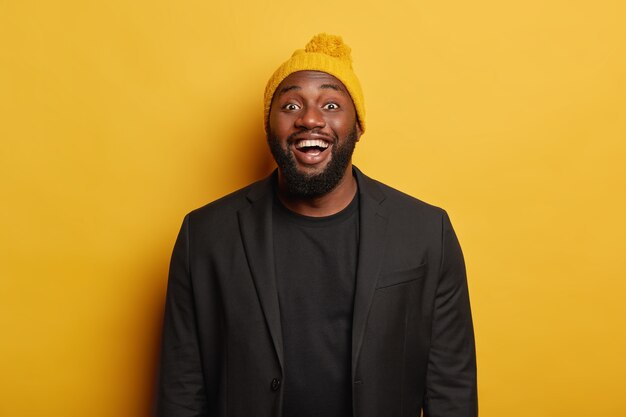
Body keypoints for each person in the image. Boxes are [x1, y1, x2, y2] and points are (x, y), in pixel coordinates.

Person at [156, 33, 477, 417]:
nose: (310, 119)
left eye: (330, 104)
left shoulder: (427, 232)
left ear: (357, 125)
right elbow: (181, 390)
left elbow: (451, 388)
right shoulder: (205, 235)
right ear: (268, 125)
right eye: (291, 104)